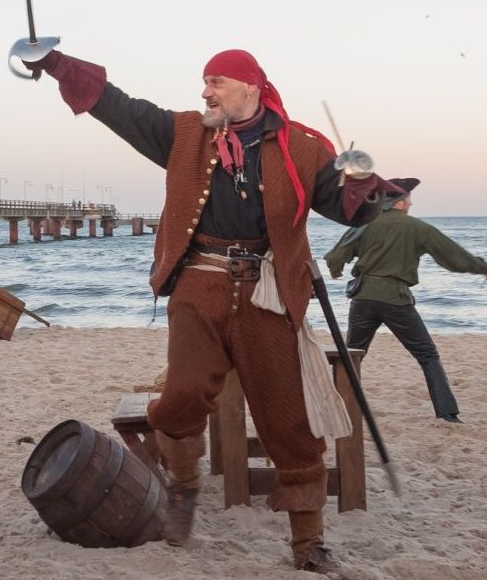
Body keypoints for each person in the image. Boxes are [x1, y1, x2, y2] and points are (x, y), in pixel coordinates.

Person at [22, 47, 395, 572]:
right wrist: (57, 64)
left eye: (216, 82)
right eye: (204, 82)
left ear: (250, 88)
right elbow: (119, 106)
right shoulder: (185, 134)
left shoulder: (304, 147)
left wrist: (365, 188)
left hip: (266, 291)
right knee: (181, 395)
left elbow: (344, 205)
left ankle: (308, 543)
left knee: (289, 420)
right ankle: (185, 487)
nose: (205, 92)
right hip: (199, 285)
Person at [323, 178, 487, 423]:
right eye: (409, 199)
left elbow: (335, 257)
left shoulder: (363, 225)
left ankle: (336, 409)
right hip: (395, 300)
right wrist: (484, 268)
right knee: (427, 355)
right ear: (401, 202)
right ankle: (447, 414)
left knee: (352, 355)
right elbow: (452, 256)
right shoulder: (417, 228)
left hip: (363, 299)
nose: (412, 203)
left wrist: (336, 272)